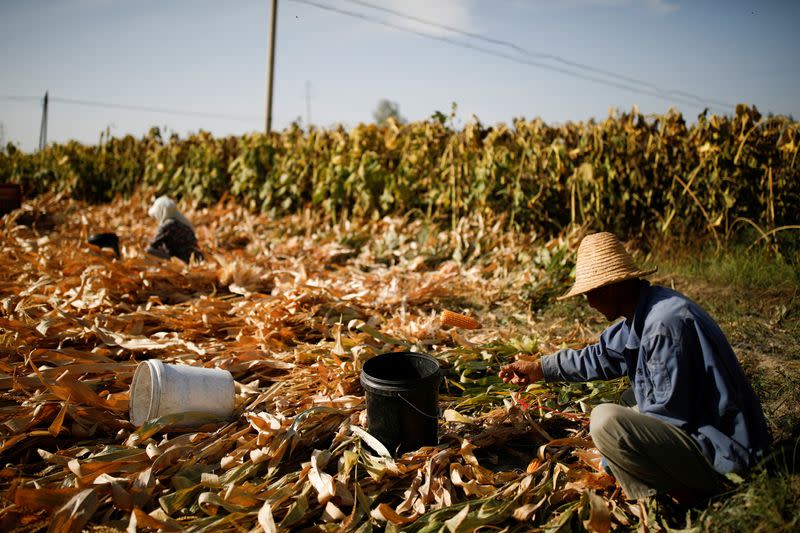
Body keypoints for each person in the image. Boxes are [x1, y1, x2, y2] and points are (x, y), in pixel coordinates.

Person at [499, 232, 770, 504]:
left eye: (592, 294)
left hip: (726, 454)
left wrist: (613, 458)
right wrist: (539, 368)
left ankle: (694, 499)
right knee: (629, 402)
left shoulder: (663, 327)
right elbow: (600, 356)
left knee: (605, 421)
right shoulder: (647, 309)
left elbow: (670, 416)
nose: (590, 303)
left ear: (613, 286)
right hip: (706, 428)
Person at [146, 196, 203, 263]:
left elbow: (152, 245)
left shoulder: (167, 225)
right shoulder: (182, 222)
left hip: (183, 260)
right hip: (194, 258)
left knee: (149, 251)